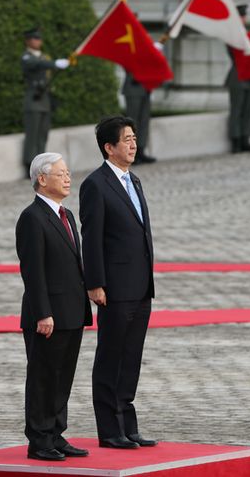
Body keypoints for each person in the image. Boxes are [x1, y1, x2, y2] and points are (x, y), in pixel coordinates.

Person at [79, 115, 157, 449]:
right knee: (111, 356)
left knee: (132, 355)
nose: (133, 143)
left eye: (134, 137)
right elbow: (91, 237)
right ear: (108, 147)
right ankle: (110, 429)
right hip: (114, 286)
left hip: (140, 285)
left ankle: (128, 423)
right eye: (126, 139)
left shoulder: (134, 180)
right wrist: (95, 283)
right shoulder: (96, 184)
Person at [16, 152, 92, 461]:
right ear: (42, 179)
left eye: (68, 172)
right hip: (47, 316)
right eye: (60, 173)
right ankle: (39, 439)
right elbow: (33, 271)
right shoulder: (32, 218)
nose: (67, 177)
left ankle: (56, 433)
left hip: (71, 311)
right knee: (44, 377)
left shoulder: (67, 215)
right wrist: (43, 312)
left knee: (63, 376)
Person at [21, 28, 70, 176]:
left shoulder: (44, 57)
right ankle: (29, 164)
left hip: (44, 99)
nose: (37, 41)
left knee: (43, 133)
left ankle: (41, 163)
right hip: (33, 98)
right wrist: (55, 63)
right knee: (32, 133)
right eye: (34, 39)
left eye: (39, 39)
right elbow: (37, 64)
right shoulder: (26, 57)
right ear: (28, 41)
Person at [224, 5, 250, 154]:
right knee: (237, 109)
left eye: (244, 16)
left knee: (248, 108)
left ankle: (245, 138)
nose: (244, 19)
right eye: (241, 16)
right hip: (238, 75)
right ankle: (236, 141)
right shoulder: (232, 36)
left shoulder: (247, 35)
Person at [122, 73, 156, 164]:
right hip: (133, 88)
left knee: (144, 121)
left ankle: (141, 150)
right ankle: (131, 152)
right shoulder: (130, 59)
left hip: (146, 89)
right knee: (132, 123)